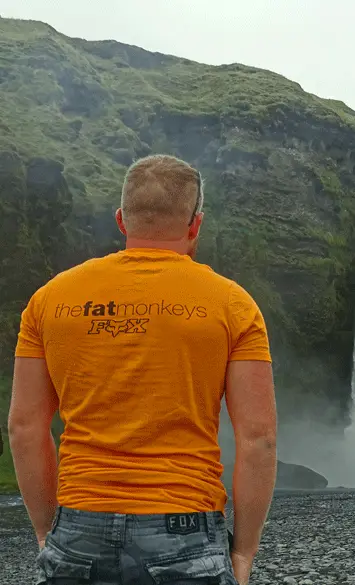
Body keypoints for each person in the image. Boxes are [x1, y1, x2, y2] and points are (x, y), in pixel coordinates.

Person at [8, 154, 277, 585]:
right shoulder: (233, 304)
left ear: (121, 220)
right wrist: (243, 552)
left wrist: (48, 532)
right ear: (195, 224)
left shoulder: (49, 300)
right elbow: (259, 438)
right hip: (186, 527)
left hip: (79, 524)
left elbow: (24, 428)